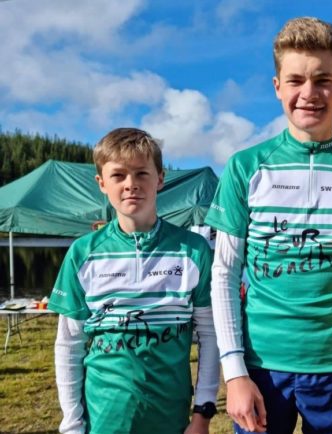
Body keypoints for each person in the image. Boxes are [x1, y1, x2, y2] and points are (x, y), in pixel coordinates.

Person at [204, 16, 332, 434]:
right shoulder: (244, 168)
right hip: (260, 371)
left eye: (323, 80)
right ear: (277, 86)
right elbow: (224, 274)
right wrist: (234, 373)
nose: (309, 93)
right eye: (295, 80)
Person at [48, 128, 220, 434]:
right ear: (101, 183)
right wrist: (72, 425)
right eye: (118, 175)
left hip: (171, 420)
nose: (131, 184)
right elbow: (69, 345)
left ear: (160, 179)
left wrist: (202, 413)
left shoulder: (193, 251)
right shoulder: (83, 253)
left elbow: (210, 335)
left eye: (142, 173)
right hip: (103, 421)